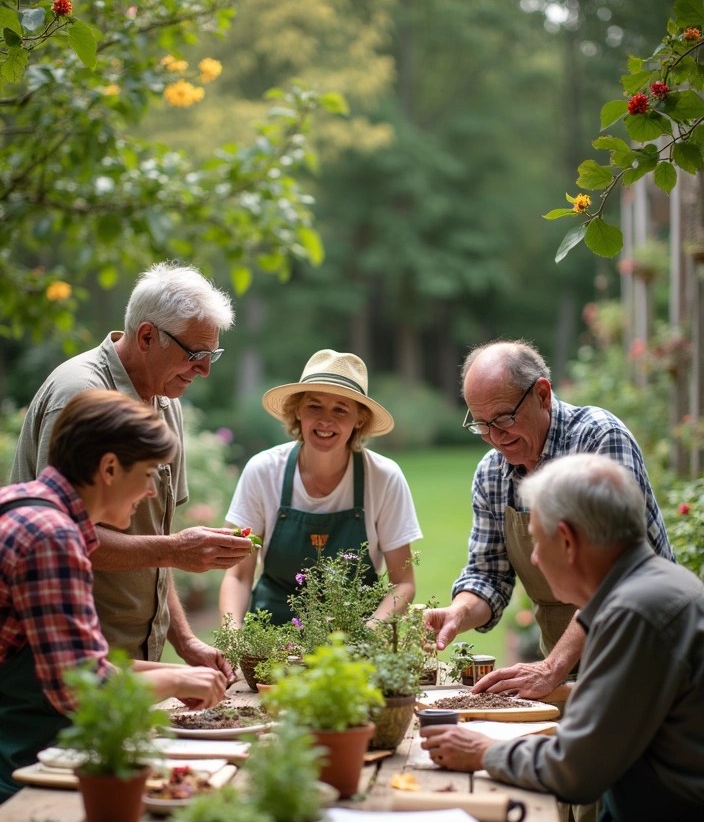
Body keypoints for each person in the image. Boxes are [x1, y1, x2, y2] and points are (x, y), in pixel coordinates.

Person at [420, 454, 704, 822]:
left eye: (536, 542)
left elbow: (578, 772)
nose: (536, 559)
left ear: (568, 540)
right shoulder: (642, 591)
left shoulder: (642, 611)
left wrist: (488, 751)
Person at [11, 261, 253, 672]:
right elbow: (66, 535)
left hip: (134, 664)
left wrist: (186, 641)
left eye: (212, 354)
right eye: (195, 354)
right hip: (65, 661)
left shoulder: (165, 402)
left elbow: (155, 537)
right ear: (146, 336)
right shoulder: (81, 395)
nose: (205, 370)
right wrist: (177, 550)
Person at [0, 390, 232, 803]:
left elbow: (75, 665)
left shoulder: (24, 503)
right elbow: (82, 689)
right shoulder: (52, 537)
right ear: (109, 468)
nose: (149, 492)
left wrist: (169, 677)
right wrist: (175, 677)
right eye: (146, 475)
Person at [425, 339, 673, 697]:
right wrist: (459, 612)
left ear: (542, 394)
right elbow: (488, 575)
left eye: (504, 418)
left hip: (642, 653)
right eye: (481, 425)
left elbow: (618, 576)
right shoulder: (491, 473)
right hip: (563, 670)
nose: (495, 437)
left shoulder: (599, 439)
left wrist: (552, 667)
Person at [219, 348, 422, 626]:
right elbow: (238, 575)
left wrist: (368, 634)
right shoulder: (263, 470)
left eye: (341, 409)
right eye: (314, 405)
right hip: (270, 637)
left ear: (360, 419)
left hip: (353, 637)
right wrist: (235, 636)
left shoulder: (384, 477)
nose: (326, 420)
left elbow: (403, 583)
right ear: (298, 410)